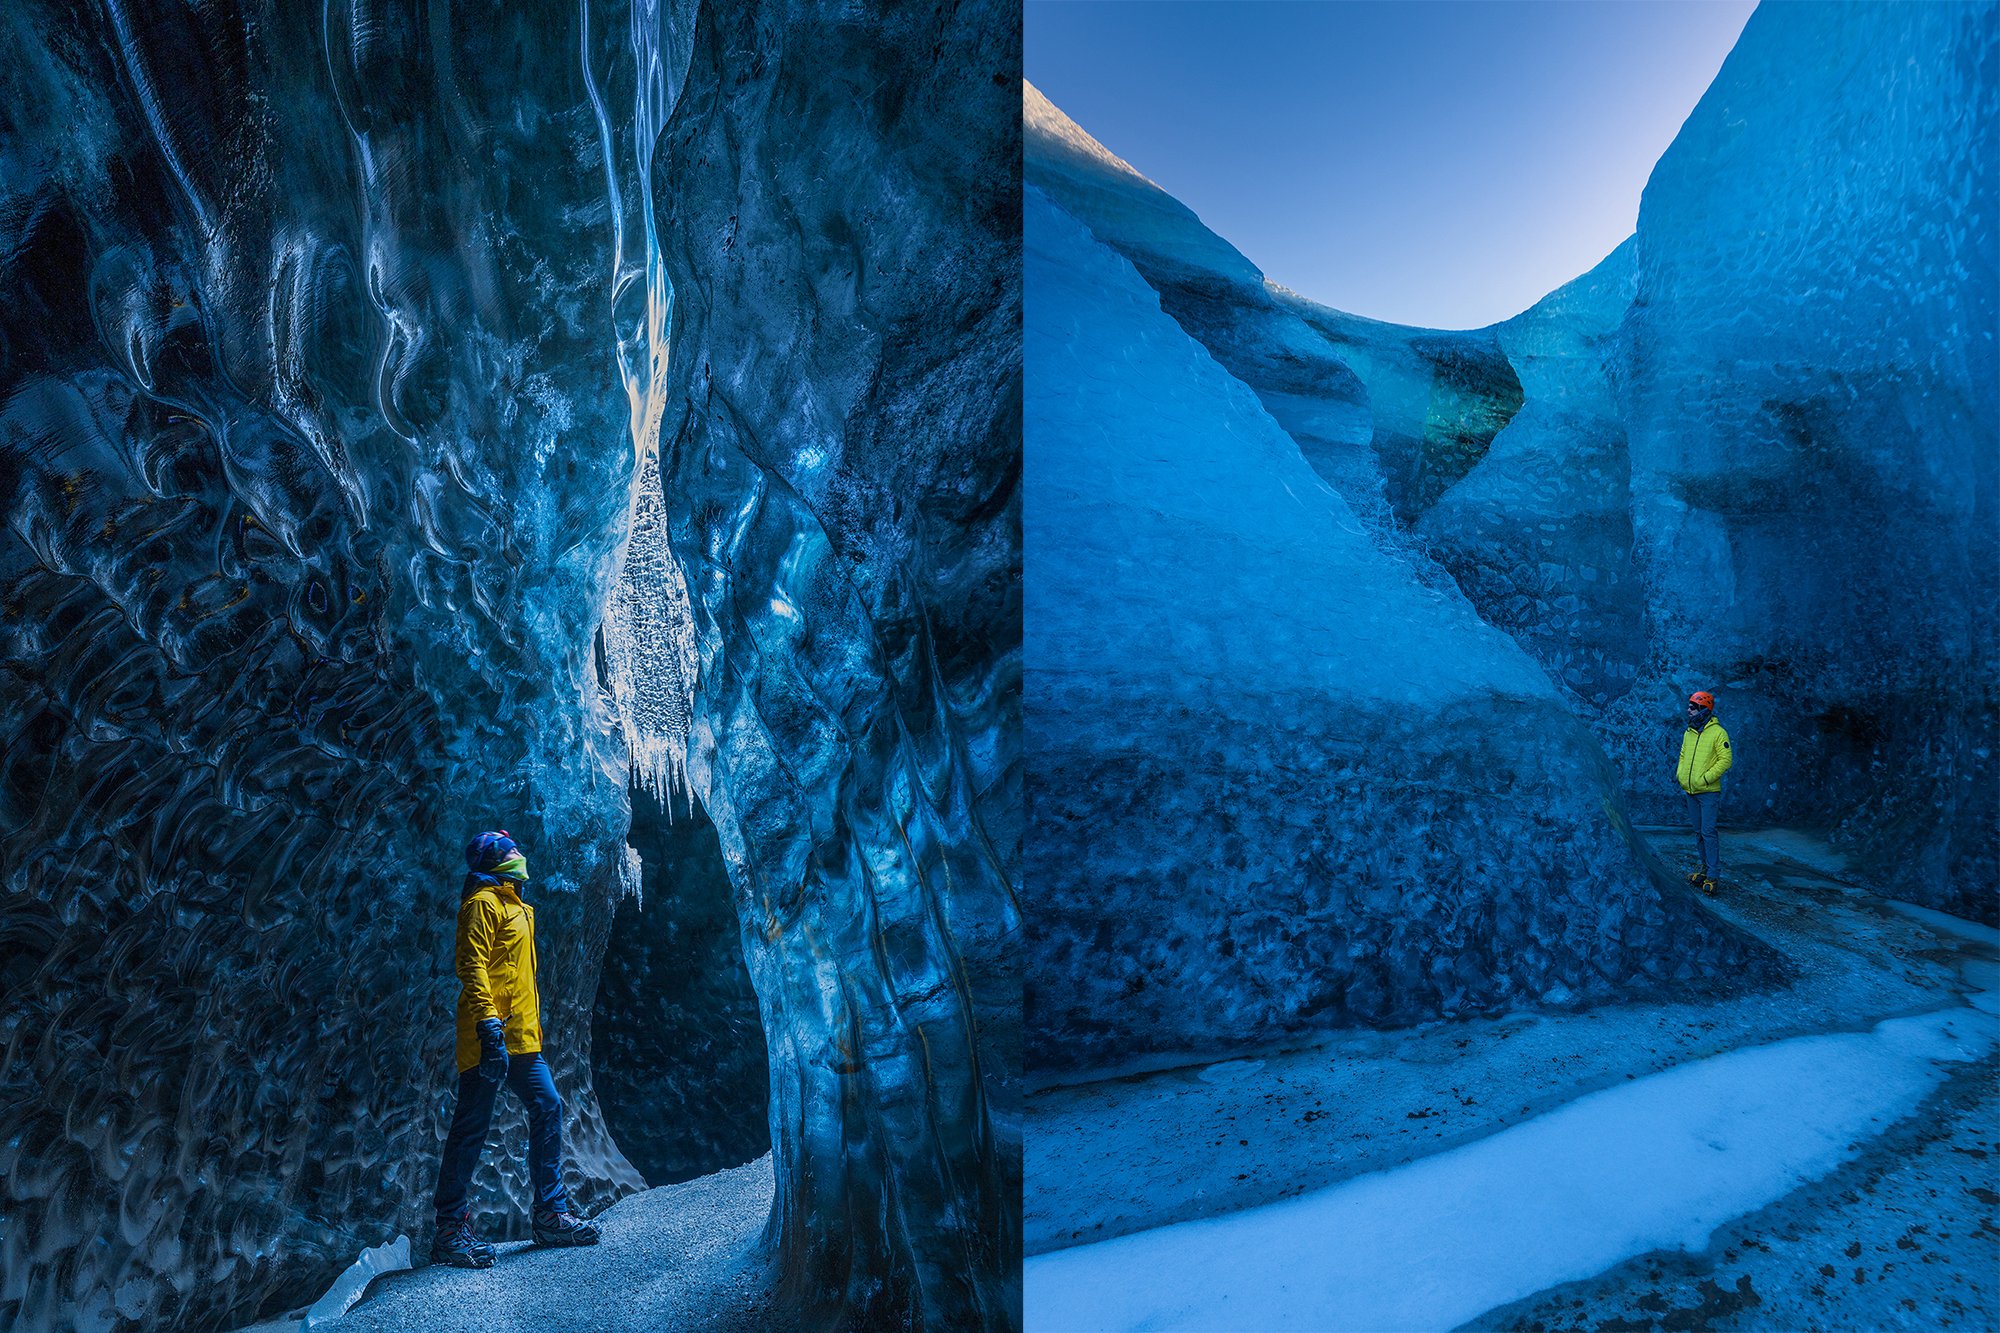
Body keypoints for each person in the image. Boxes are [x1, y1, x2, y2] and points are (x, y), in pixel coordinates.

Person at [429, 830, 601, 1267]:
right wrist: (488, 1026)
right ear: (494, 860)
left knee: (547, 1106)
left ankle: (550, 1213)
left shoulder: (514, 904)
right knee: (472, 1126)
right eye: (510, 850)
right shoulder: (482, 903)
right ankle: (449, 1229)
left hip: (521, 1038)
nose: (519, 854)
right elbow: (472, 966)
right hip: (490, 1036)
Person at [1676, 691, 1733, 895]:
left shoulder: (1718, 733)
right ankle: (1704, 868)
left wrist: (1706, 779)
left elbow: (1726, 760)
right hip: (1691, 791)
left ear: (1703, 709)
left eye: (1692, 707)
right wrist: (1681, 775)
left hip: (1708, 792)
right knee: (1699, 832)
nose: (1688, 710)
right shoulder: (1689, 732)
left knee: (1708, 832)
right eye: (1689, 706)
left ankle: (1713, 875)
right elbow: (1683, 755)